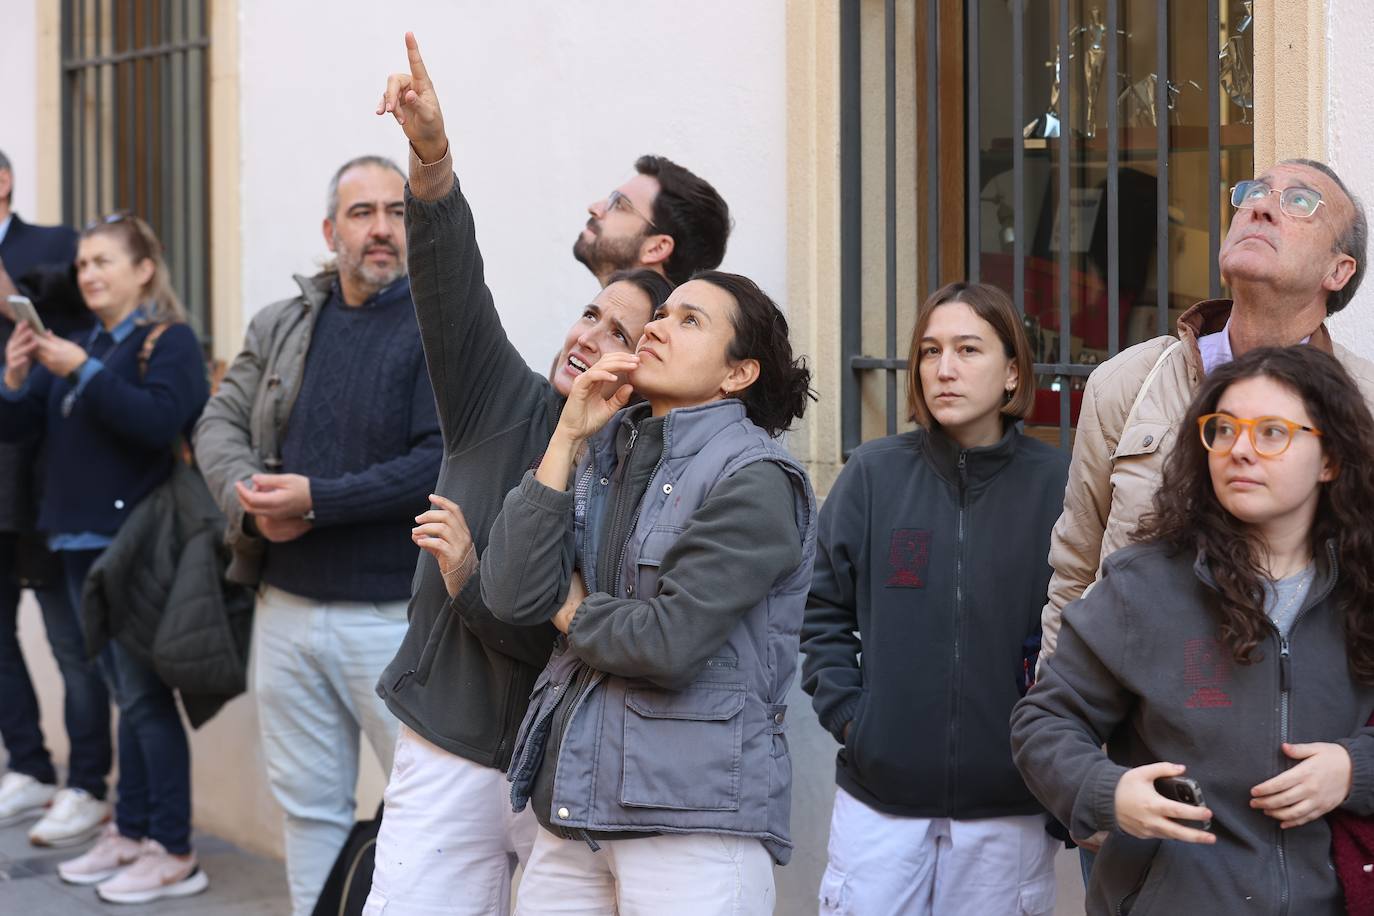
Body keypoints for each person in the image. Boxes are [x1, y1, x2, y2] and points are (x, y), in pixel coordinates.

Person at [362, 32, 720, 916]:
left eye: (620, 333)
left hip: (575, 775)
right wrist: (432, 156)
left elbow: (579, 630)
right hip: (453, 752)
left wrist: (467, 577)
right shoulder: (499, 402)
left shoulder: (658, 466)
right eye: (586, 315)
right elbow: (448, 276)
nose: (586, 337)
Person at [1036, 160, 1374, 873]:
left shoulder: (1366, 404)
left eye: (1298, 202)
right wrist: (1082, 782)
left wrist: (1360, 767)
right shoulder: (1126, 384)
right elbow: (1074, 575)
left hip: (1315, 825)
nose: (1259, 207)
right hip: (1152, 801)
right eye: (1250, 194)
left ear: (1339, 270)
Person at [480, 271, 816, 914]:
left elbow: (668, 642)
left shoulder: (756, 478)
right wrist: (568, 434)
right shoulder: (606, 449)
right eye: (661, 313)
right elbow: (512, 593)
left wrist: (573, 608)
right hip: (575, 810)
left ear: (738, 374)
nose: (657, 326)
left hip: (693, 823)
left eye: (691, 321)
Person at [1013, 345, 1374, 915]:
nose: (1240, 451)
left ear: (1329, 458)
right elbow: (1044, 720)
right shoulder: (1145, 587)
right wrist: (1108, 791)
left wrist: (1357, 769)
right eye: (1223, 429)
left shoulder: (1364, 589)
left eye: (1272, 433)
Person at [192, 155, 442, 916]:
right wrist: (249, 503)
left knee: (429, 819)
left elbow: (438, 461)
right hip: (286, 609)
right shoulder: (283, 322)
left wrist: (318, 501)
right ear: (331, 230)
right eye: (362, 213)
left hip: (391, 618)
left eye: (397, 212)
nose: (380, 228)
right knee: (310, 810)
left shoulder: (442, 326)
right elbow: (218, 422)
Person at [801, 281, 1069, 916]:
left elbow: (1085, 628)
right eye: (929, 351)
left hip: (1009, 806)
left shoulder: (1058, 483)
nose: (943, 369)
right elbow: (821, 612)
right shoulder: (872, 473)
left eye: (968, 349)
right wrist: (853, 720)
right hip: (880, 803)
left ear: (1012, 373)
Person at [0, 213, 210, 903]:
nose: (87, 274)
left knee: (146, 700)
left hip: (129, 546)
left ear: (144, 269)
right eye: (83, 264)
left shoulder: (168, 341)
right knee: (126, 697)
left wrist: (83, 370)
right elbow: (22, 426)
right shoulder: (83, 340)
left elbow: (159, 421)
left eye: (103, 263)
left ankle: (173, 848)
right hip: (70, 541)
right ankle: (131, 829)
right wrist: (16, 377)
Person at [0, 149, 110, 847]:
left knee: (69, 638)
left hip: (37, 467)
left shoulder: (53, 246)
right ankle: (29, 765)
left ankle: (88, 782)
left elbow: (77, 334)